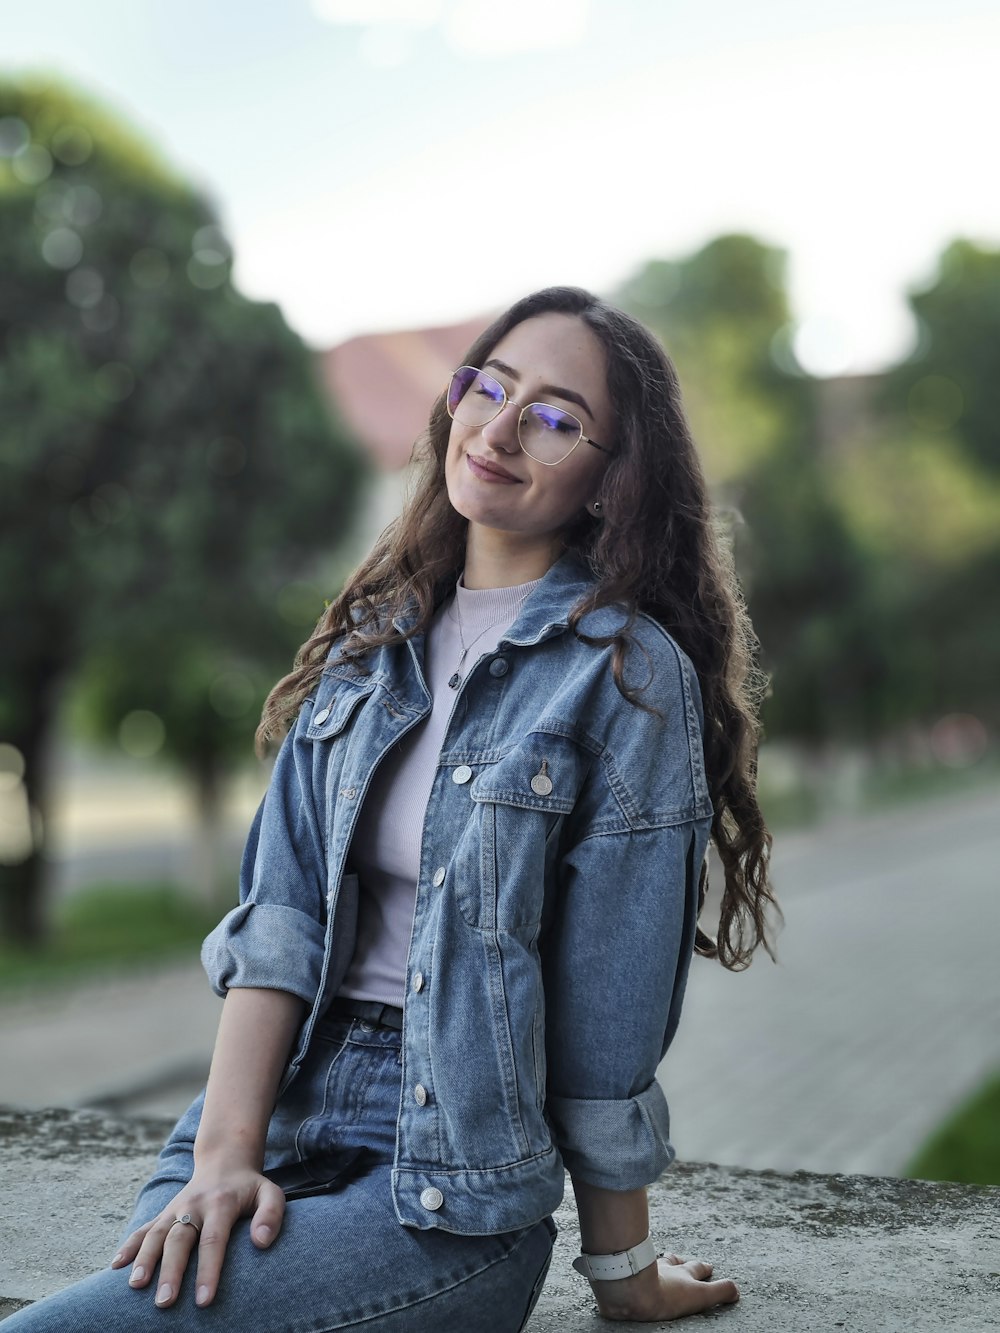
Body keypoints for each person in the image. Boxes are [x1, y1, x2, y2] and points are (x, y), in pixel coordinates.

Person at [8, 285, 777, 1330]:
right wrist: (223, 1157)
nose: (500, 428)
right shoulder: (373, 643)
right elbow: (280, 922)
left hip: (449, 1184)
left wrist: (624, 1272)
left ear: (610, 478)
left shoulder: (626, 678)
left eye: (554, 417)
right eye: (488, 387)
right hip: (268, 1114)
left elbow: (608, 1022)